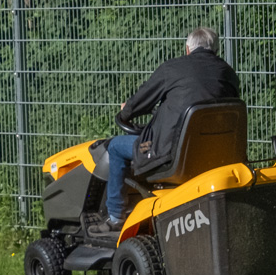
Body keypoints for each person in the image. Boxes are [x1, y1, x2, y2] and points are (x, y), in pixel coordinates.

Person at [102, 26, 241, 230]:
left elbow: (140, 101)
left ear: (187, 49)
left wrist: (125, 112)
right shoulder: (229, 74)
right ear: (216, 51)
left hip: (172, 156)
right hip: (216, 157)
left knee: (115, 147)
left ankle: (115, 216)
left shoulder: (173, 69)